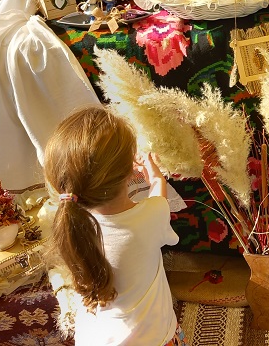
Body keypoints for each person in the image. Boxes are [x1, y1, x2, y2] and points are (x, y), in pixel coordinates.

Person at [44, 107, 184, 346]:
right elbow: (160, 203)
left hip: (95, 337)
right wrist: (157, 179)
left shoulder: (70, 221)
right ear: (130, 172)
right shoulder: (148, 218)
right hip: (154, 337)